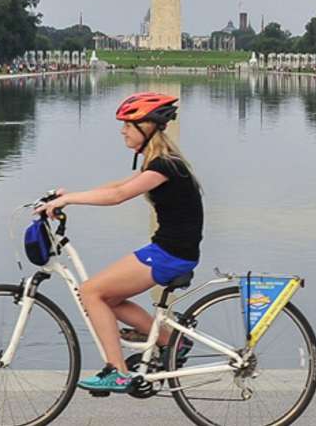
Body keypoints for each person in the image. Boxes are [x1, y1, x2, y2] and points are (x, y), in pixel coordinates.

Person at [37, 93, 202, 395]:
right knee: (106, 297)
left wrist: (70, 199)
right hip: (170, 250)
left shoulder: (164, 166)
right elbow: (118, 186)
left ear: (147, 127)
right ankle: (171, 342)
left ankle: (118, 372)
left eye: (129, 124)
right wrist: (68, 196)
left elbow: (118, 196)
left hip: (169, 254)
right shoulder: (160, 164)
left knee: (91, 291)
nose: (123, 131)